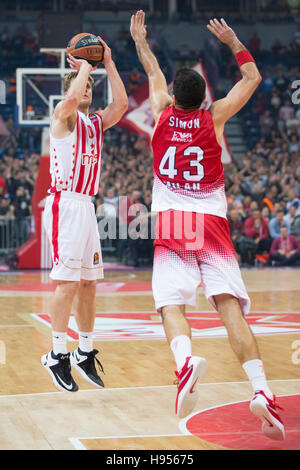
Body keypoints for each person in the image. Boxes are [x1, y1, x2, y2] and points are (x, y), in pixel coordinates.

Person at [130, 11, 284, 440]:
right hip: (212, 224)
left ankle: (185, 363)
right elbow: (251, 79)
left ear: (172, 95)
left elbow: (152, 69)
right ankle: (262, 390)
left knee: (171, 305)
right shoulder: (213, 118)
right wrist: (234, 41)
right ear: (202, 97)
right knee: (228, 305)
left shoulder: (160, 113)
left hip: (174, 221)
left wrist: (140, 41)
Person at [41, 37, 128, 392]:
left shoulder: (95, 123)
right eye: (84, 83)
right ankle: (57, 354)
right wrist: (84, 67)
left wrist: (107, 61)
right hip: (64, 204)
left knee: (90, 284)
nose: (89, 89)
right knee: (68, 283)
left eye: (93, 85)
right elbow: (73, 98)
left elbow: (121, 103)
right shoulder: (63, 116)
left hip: (86, 206)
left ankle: (84, 350)